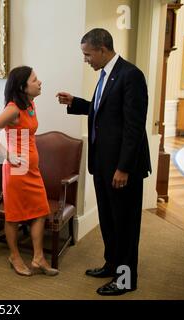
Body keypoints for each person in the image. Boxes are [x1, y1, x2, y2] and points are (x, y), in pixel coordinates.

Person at [56, 28, 151, 295]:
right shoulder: (106, 75)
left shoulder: (131, 75)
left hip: (122, 168)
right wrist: (76, 103)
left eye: (87, 54)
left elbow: (133, 127)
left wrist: (123, 168)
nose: (85, 59)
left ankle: (125, 279)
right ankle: (112, 265)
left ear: (102, 49)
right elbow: (106, 111)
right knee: (109, 221)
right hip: (103, 164)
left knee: (125, 225)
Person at [0, 66, 58, 277]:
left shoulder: (30, 104)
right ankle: (14, 256)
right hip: (17, 171)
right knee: (14, 217)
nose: (40, 82)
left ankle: (38, 258)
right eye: (35, 80)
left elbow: (25, 136)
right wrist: (7, 155)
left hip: (31, 169)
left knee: (40, 211)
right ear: (22, 87)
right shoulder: (13, 108)